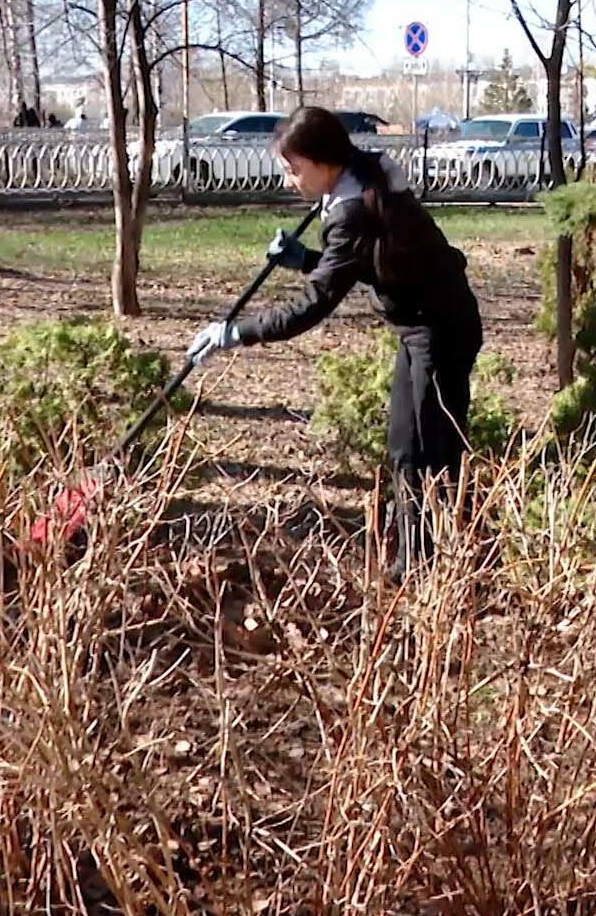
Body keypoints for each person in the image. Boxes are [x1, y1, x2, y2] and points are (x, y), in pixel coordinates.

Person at [186, 106, 483, 579]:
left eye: (293, 169)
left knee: (434, 454)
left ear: (323, 162)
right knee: (404, 449)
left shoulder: (353, 206)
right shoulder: (359, 177)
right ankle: (411, 565)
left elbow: (316, 303)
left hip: (442, 328)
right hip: (417, 324)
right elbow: (370, 262)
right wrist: (308, 259)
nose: (289, 181)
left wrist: (236, 333)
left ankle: (445, 571)